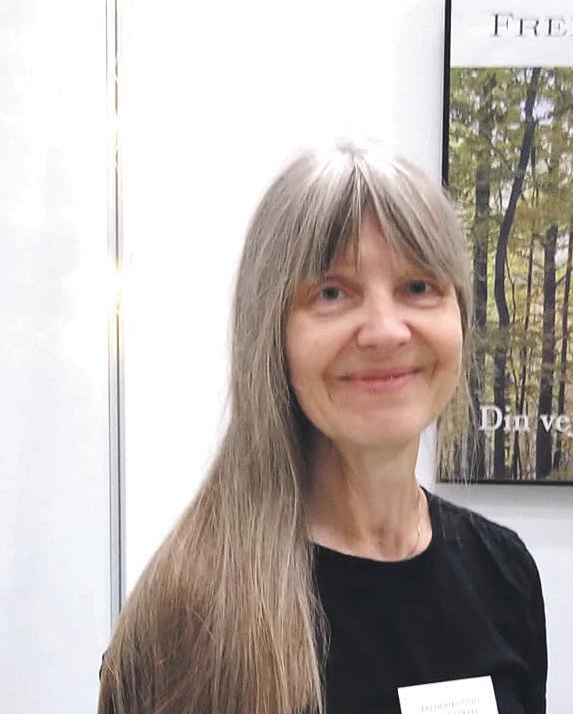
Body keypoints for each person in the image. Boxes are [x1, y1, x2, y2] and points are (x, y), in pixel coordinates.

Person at [98, 140, 547, 714]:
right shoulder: (192, 618)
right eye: (332, 293)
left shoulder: (503, 574)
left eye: (419, 287)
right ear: (272, 334)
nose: (385, 331)